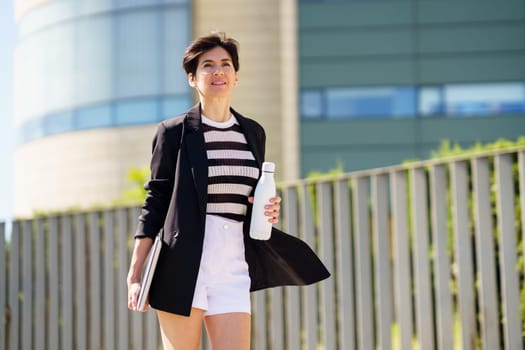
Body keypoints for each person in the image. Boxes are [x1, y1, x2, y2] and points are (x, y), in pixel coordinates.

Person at [127, 32, 329, 350]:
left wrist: (265, 208)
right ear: (193, 78)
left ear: (236, 76)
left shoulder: (253, 132)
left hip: (233, 262)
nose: (218, 71)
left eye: (225, 64)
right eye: (207, 65)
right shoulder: (174, 132)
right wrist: (136, 272)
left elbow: (249, 193)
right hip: (182, 261)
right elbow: (156, 200)